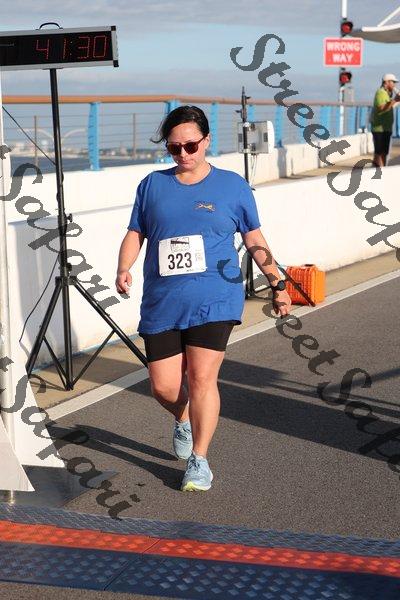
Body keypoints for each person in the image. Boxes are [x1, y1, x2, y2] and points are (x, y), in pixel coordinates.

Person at [115, 105, 291, 492]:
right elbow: (135, 232)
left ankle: (200, 460)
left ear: (207, 141)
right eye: (173, 148)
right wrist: (123, 267)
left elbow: (254, 239)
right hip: (163, 301)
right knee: (163, 386)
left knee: (201, 378)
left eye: (190, 146)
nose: (183, 154)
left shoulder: (232, 186)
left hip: (216, 298)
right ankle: (183, 418)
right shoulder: (152, 185)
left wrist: (277, 283)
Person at [371, 73, 400, 167]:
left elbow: (389, 107)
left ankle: (381, 169)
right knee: (379, 152)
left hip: (386, 128)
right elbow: (381, 107)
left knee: (384, 152)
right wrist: (395, 100)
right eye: (392, 82)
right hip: (379, 128)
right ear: (386, 82)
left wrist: (396, 101)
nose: (394, 84)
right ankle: (378, 170)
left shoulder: (387, 94)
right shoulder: (381, 93)